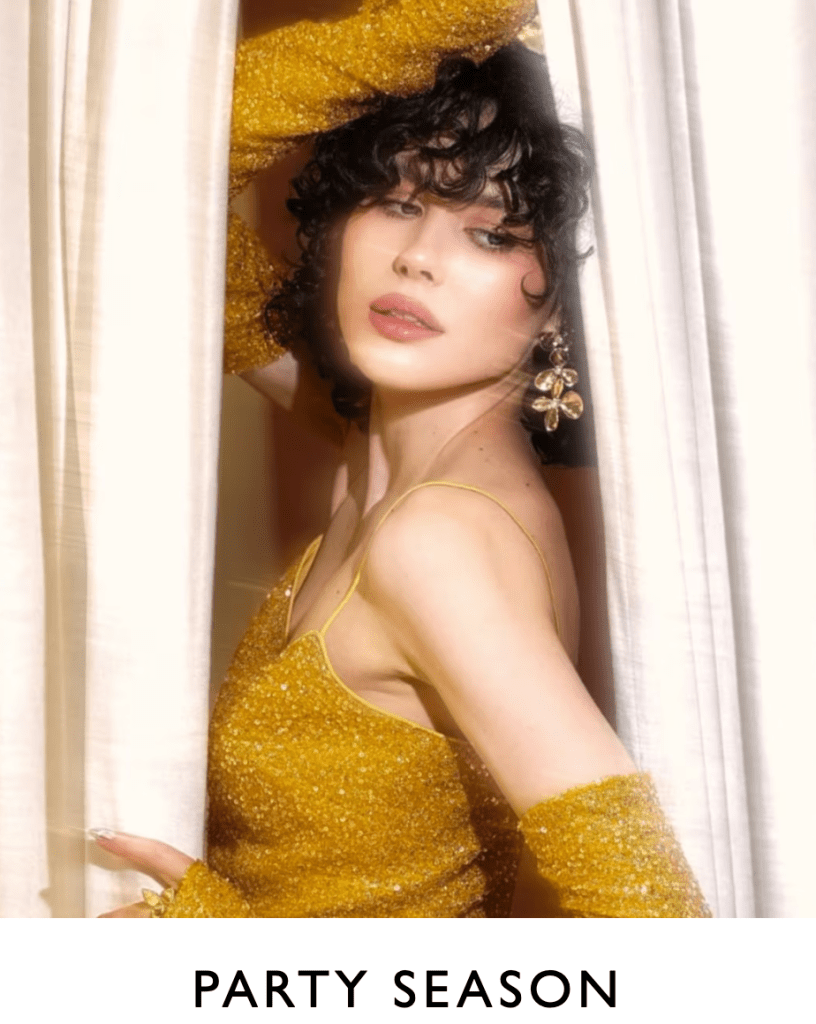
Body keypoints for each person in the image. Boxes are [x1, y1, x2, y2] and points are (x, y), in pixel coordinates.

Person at [94, 0, 710, 918]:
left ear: (563, 304)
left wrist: (227, 955)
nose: (418, 258)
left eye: (494, 234)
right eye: (398, 201)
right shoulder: (374, 449)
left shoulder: (440, 541)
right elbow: (166, 158)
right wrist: (468, 18)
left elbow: (663, 926)